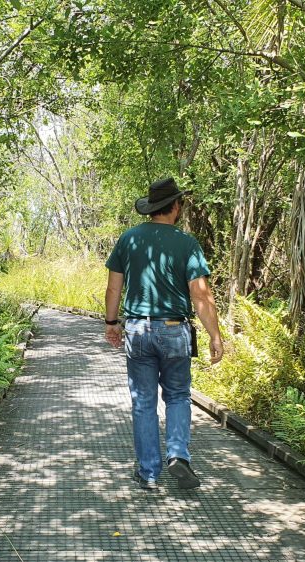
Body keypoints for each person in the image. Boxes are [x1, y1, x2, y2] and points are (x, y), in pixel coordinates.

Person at [103, 177, 224, 490]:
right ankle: (178, 455)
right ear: (176, 207)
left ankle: (148, 473)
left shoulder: (128, 239)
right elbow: (201, 295)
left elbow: (114, 288)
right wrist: (215, 335)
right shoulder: (187, 243)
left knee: (143, 402)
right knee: (178, 395)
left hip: (138, 329)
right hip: (174, 329)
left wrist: (111, 323)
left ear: (152, 208)